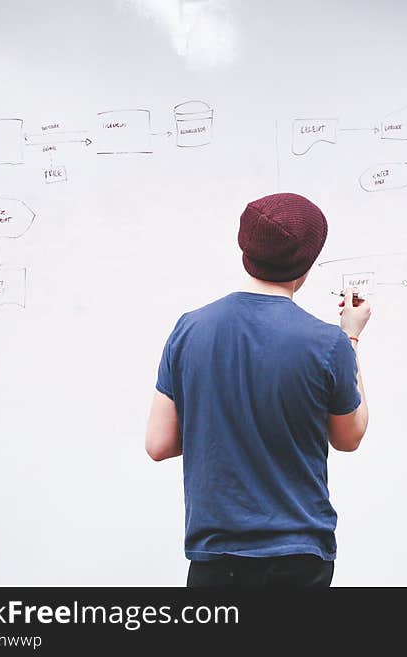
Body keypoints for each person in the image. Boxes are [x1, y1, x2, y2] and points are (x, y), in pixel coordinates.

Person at [145, 192, 371, 588]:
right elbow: (348, 437)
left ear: (244, 248)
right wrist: (350, 338)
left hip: (215, 556)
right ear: (308, 261)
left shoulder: (190, 329)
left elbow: (159, 443)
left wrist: (222, 423)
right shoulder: (326, 343)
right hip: (298, 556)